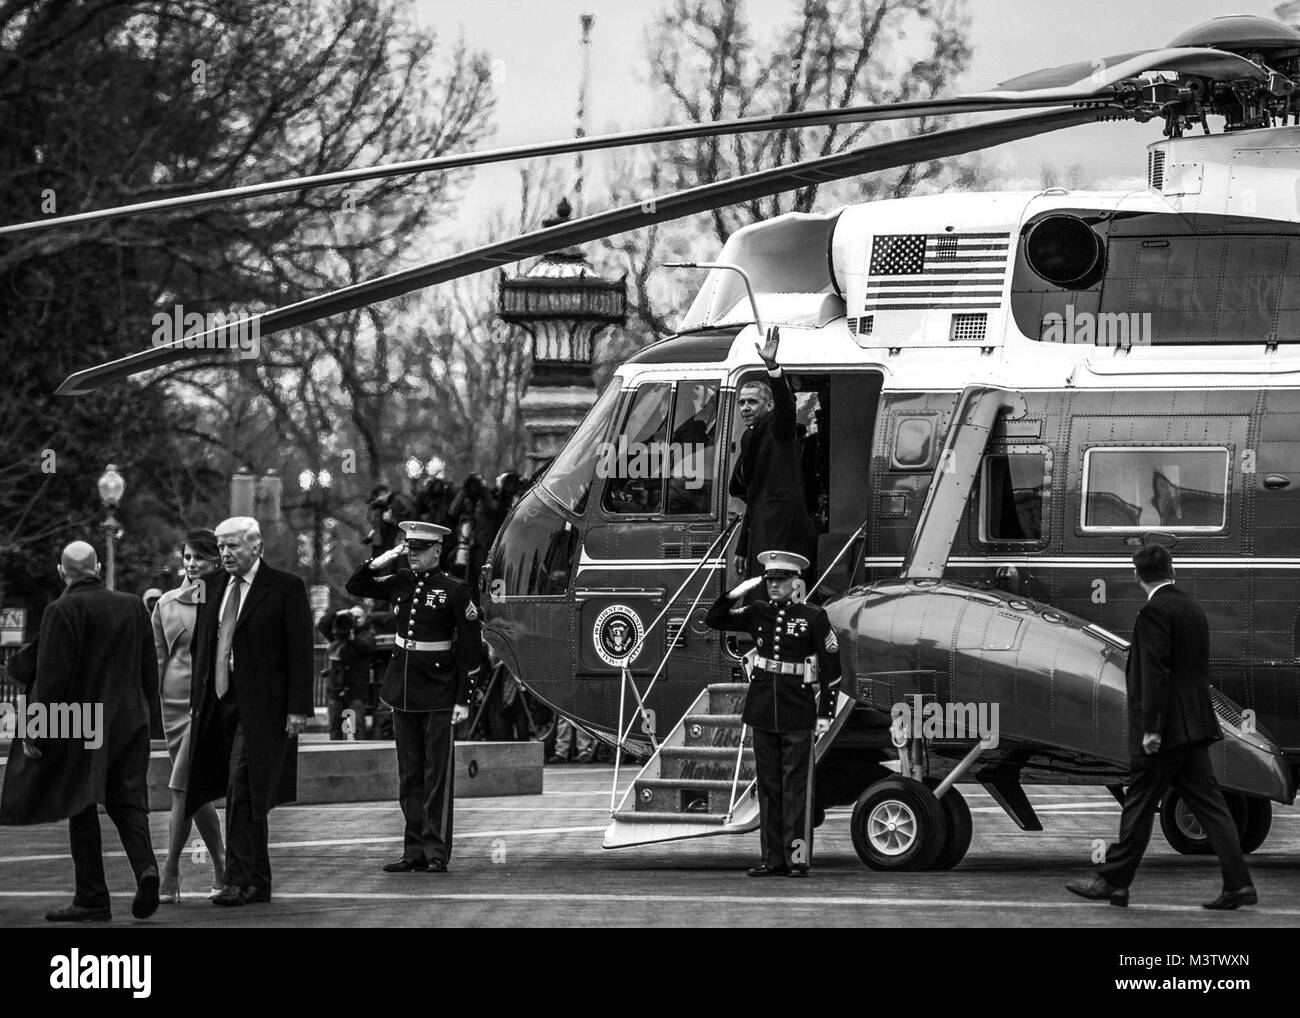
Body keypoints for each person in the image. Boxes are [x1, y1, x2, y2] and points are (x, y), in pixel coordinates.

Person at [1066, 544, 1256, 910]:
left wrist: (1151, 728)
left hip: (1166, 729)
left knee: (1138, 800)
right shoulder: (1190, 608)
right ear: (1172, 571)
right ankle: (1239, 884)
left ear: (1137, 575)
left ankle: (1114, 882)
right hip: (1195, 724)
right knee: (1212, 807)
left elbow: (1155, 673)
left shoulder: (1154, 611)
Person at [0, 541, 161, 922]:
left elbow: (52, 677)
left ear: (61, 571)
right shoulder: (133, 604)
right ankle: (146, 869)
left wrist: (35, 730)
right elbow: (148, 665)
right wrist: (149, 719)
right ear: (99, 566)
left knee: (81, 804)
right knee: (128, 801)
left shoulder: (61, 610)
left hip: (82, 720)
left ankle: (92, 897)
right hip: (128, 718)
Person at [186, 517, 314, 907]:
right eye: (221, 547)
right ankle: (259, 880)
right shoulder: (211, 587)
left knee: (243, 788)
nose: (224, 554)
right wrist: (198, 698)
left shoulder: (285, 588)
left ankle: (236, 881)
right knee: (248, 791)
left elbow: (300, 650)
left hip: (265, 709)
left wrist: (298, 709)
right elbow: (204, 646)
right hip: (220, 704)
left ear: (255, 548)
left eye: (233, 547)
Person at [346, 520, 481, 873]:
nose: (414, 556)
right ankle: (413, 850)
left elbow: (470, 649)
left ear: (438, 550)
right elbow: (355, 584)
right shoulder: (401, 581)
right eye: (410, 549)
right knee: (410, 775)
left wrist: (463, 700)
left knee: (437, 775)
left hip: (439, 691)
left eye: (419, 550)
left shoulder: (455, 590)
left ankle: (436, 851)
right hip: (404, 690)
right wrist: (389, 555)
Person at [704, 550, 841, 877]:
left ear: (797, 582)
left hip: (797, 710)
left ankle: (797, 859)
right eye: (769, 580)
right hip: (764, 710)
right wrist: (737, 590)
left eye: (780, 580)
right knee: (768, 788)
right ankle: (773, 860)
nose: (774, 585)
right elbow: (714, 619)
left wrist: (825, 713)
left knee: (796, 791)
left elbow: (833, 670)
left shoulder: (813, 616)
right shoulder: (757, 612)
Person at [151, 528, 227, 902]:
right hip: (174, 707)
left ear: (215, 561)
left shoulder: (227, 601)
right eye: (187, 557)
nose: (192, 564)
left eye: (200, 558)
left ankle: (170, 871)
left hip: (209, 705)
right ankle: (221, 865)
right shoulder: (165, 603)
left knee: (183, 785)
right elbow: (158, 659)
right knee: (194, 791)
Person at [729, 327, 817, 583]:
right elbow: (753, 497)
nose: (745, 408)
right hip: (761, 534)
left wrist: (773, 368)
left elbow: (787, 408)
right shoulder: (748, 437)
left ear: (768, 406)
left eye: (752, 402)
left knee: (784, 597)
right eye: (742, 402)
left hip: (784, 534)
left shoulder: (778, 429)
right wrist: (743, 545)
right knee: (760, 601)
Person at [319, 605, 377, 740]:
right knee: (335, 725)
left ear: (364, 619)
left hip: (356, 690)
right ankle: (336, 756)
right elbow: (322, 625)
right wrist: (337, 613)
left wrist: (353, 637)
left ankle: (361, 756)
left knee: (358, 725)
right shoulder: (338, 635)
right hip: (336, 689)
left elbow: (367, 648)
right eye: (351, 617)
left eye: (357, 617)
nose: (353, 620)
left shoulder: (366, 634)